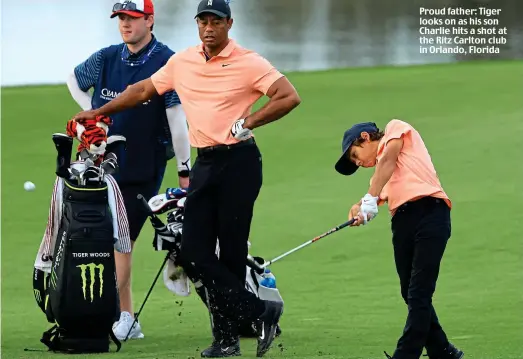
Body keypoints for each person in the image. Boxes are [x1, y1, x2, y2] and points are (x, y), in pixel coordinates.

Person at [73, 0, 301, 356]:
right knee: (193, 251)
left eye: (216, 21)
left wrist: (249, 122)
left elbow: (288, 96)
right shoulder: (182, 62)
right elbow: (143, 90)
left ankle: (226, 341)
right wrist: (98, 111)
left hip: (239, 163)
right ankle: (259, 311)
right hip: (206, 163)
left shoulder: (249, 61)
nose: (209, 28)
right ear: (197, 25)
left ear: (229, 24)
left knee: (231, 253)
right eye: (203, 21)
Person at [66, 0, 192, 341]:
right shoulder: (107, 57)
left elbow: (176, 118)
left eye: (132, 18)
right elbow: (73, 78)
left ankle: (118, 314)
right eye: (121, 18)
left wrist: (184, 168)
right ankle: (126, 317)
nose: (125, 24)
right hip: (103, 164)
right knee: (107, 238)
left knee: (122, 240)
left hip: (143, 163)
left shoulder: (167, 61)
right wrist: (93, 113)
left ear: (150, 21)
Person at [334, 119, 465, 359]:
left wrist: (370, 197)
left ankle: (405, 355)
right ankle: (442, 351)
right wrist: (359, 208)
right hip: (402, 221)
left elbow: (388, 160)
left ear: (365, 136)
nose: (359, 163)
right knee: (409, 291)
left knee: (419, 293)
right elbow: (375, 190)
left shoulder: (395, 129)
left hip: (430, 212)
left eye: (355, 155)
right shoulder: (378, 177)